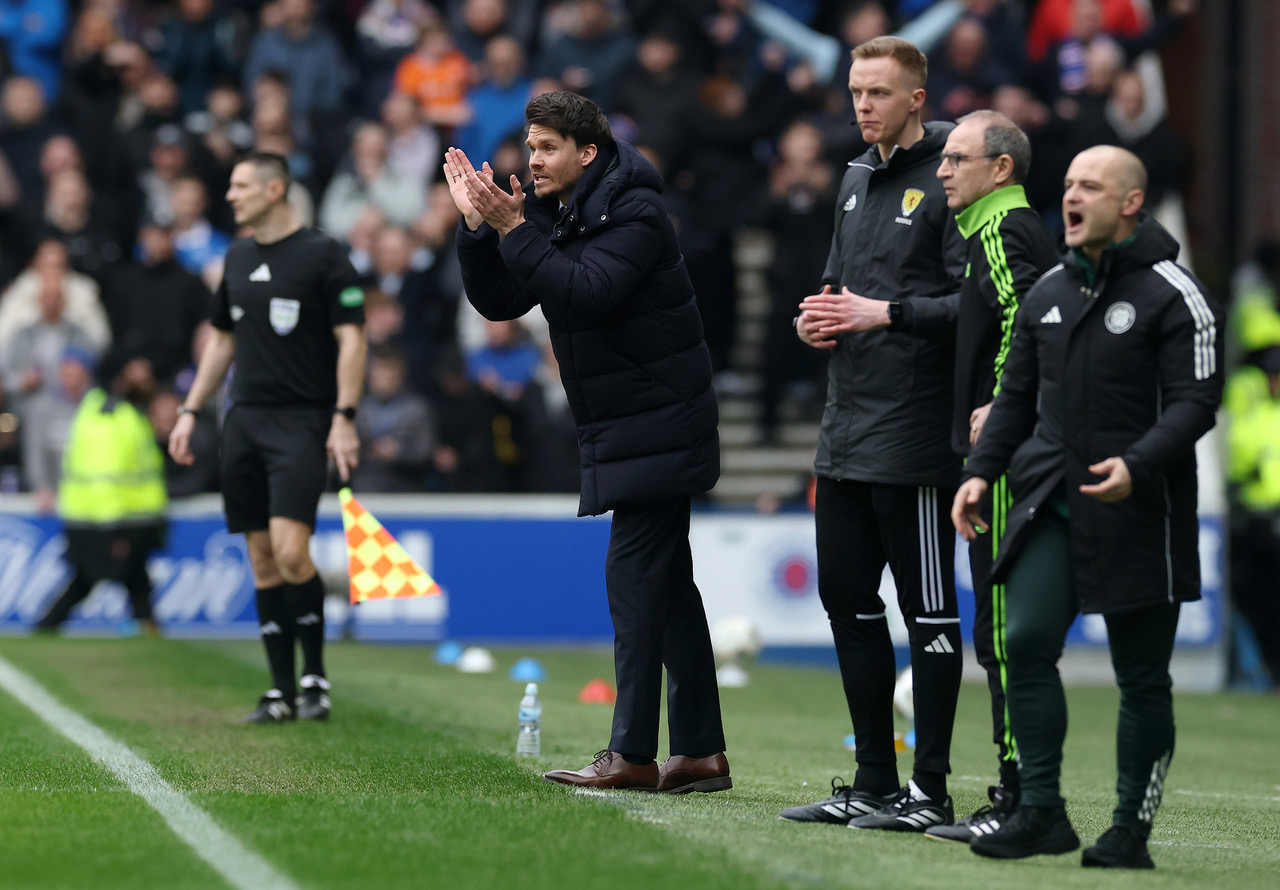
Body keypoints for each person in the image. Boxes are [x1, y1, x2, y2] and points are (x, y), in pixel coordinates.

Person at [445, 91, 728, 793]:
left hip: (660, 419)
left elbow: (585, 291)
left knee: (634, 583)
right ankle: (698, 752)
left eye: (546, 148)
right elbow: (502, 301)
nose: (531, 159)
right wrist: (482, 230)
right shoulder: (562, 210)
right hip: (629, 423)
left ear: (587, 153)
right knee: (668, 593)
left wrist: (516, 230)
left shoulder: (635, 211)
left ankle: (631, 753)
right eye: (530, 146)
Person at [951, 146, 1223, 868]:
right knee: (1026, 642)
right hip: (1052, 500)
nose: (1071, 198)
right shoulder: (1048, 294)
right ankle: (1042, 811)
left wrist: (1138, 465)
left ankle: (1129, 832)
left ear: (1130, 202)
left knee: (1142, 677)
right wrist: (981, 472)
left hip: (1142, 508)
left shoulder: (1175, 293)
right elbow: (1013, 402)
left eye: (1090, 187)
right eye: (1068, 185)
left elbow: (1199, 402)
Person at [779, 36, 966, 832]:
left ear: (916, 98)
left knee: (927, 610)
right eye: (856, 91)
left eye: (879, 93)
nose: (862, 105)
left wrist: (882, 313)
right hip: (845, 429)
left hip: (917, 438)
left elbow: (978, 307)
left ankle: (930, 790)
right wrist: (816, 316)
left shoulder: (955, 176)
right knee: (846, 603)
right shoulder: (853, 177)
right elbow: (838, 284)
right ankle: (872, 782)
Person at [169, 151, 368, 724]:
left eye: (240, 185)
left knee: (289, 550)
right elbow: (222, 343)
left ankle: (315, 677)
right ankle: (281, 690)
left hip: (301, 421)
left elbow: (352, 340)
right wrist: (189, 409)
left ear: (275, 189)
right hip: (244, 422)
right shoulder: (235, 256)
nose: (230, 195)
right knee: (260, 561)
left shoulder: (323, 254)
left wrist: (344, 414)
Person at [919, 111, 1059, 843]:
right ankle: (1017, 790)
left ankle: (1021, 796)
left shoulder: (1005, 232)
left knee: (1003, 632)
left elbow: (1027, 322)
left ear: (1000, 169)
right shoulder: (988, 233)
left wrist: (1000, 410)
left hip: (1007, 461)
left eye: (956, 158)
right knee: (999, 631)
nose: (943, 170)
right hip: (1007, 453)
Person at [35, 357, 167, 635]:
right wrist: (115, 527)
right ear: (120, 378)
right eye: (137, 372)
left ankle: (147, 623)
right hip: (115, 517)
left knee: (126, 576)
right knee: (104, 576)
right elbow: (109, 472)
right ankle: (48, 625)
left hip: (102, 515)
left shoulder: (100, 409)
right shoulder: (114, 414)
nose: (146, 378)